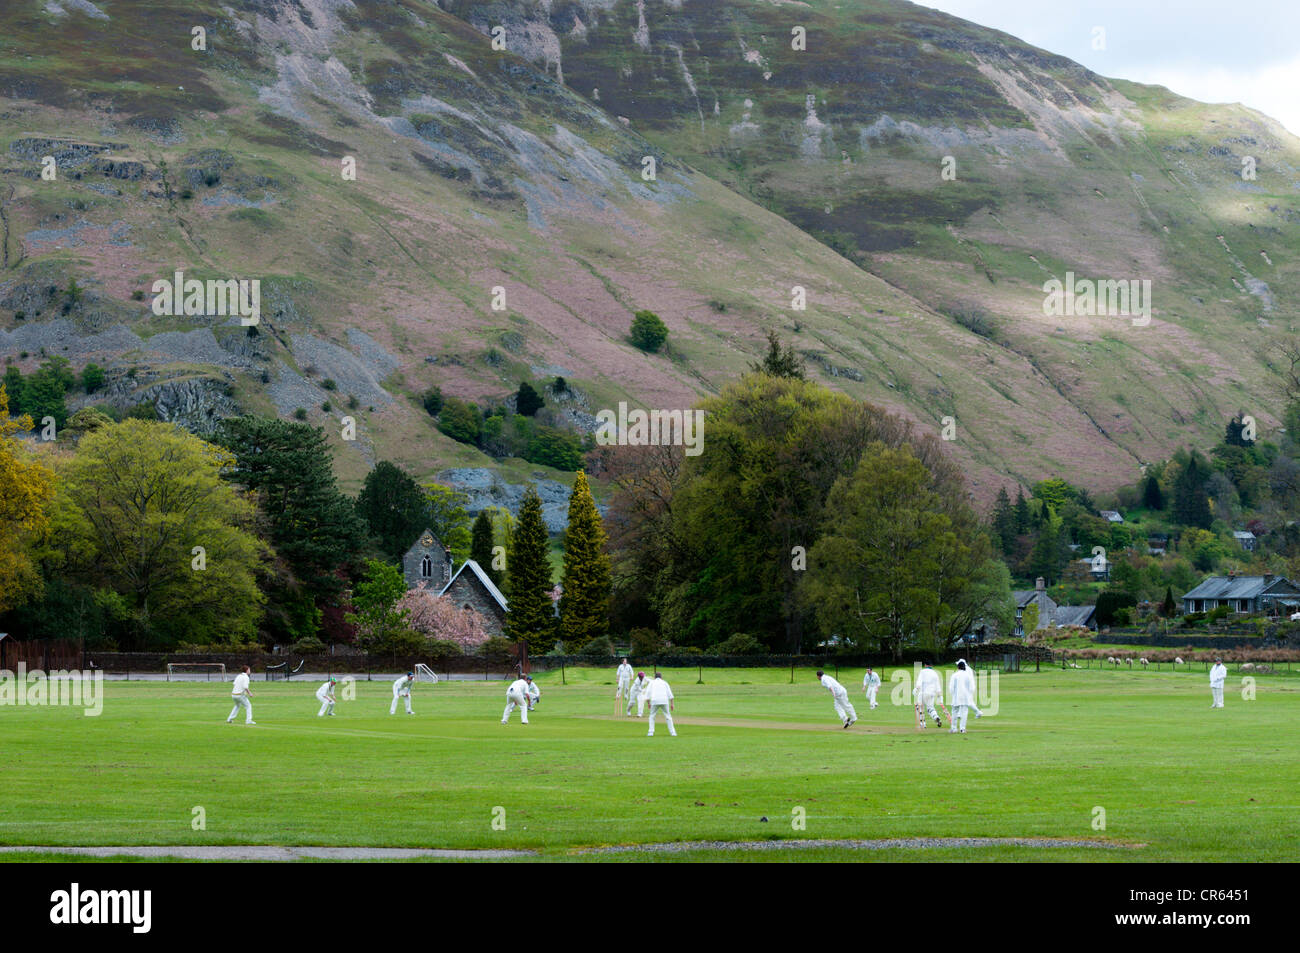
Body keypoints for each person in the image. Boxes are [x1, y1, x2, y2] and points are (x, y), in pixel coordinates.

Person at [947, 660, 977, 734]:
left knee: (954, 712)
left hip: (956, 697)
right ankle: (962, 729)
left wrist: (953, 695)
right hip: (965, 697)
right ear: (964, 667)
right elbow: (972, 688)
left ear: (958, 667)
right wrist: (969, 695)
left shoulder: (954, 675)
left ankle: (953, 728)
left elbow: (951, 688)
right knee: (964, 712)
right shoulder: (968, 675)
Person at [646, 673, 676, 737]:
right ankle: (673, 732)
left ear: (654, 677)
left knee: (652, 716)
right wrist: (672, 704)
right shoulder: (665, 682)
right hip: (664, 700)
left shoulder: (652, 682)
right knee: (668, 716)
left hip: (654, 700)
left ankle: (650, 732)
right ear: (661, 677)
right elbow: (670, 694)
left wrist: (648, 703)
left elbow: (648, 693)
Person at [914, 662, 943, 728]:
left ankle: (922, 724)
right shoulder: (935, 673)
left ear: (925, 665)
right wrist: (939, 696)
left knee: (919, 707)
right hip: (932, 693)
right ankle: (936, 717)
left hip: (923, 693)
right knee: (930, 708)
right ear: (931, 665)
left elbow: (919, 681)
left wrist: (916, 688)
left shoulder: (922, 671)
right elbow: (938, 685)